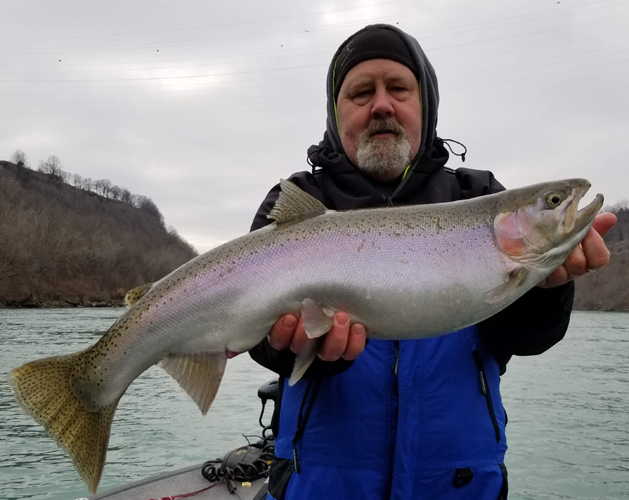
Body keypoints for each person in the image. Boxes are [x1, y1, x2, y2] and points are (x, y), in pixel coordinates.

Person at [248, 24, 616, 500]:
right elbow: (253, 332)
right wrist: (300, 351)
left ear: (427, 105)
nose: (382, 104)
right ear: (335, 115)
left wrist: (549, 287)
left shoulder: (480, 195)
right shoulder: (297, 201)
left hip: (460, 486)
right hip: (321, 485)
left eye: (399, 88)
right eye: (361, 92)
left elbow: (526, 339)